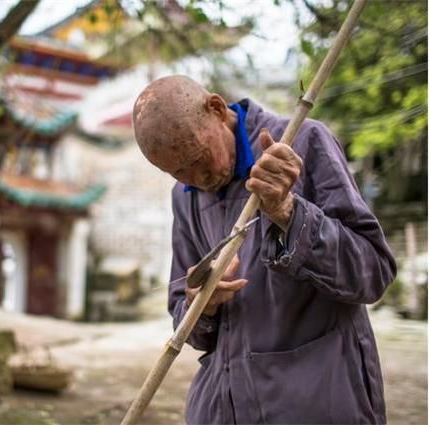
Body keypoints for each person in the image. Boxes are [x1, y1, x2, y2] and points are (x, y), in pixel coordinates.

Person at [132, 75, 396, 425]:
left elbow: (373, 273)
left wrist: (288, 212)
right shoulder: (185, 197)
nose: (196, 178)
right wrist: (202, 305)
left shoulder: (301, 143)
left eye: (198, 158)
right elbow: (185, 318)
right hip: (224, 409)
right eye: (176, 172)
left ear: (216, 108)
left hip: (317, 403)